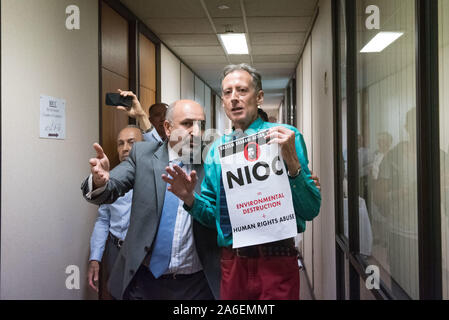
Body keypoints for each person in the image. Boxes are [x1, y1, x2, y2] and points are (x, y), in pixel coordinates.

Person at [163, 64, 321, 300]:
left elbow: (310, 209)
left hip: (277, 261)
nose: (234, 98)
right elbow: (212, 217)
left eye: (242, 90)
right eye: (228, 92)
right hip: (233, 263)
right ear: (223, 102)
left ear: (258, 97)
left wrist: (292, 163)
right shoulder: (216, 150)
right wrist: (190, 199)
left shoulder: (286, 136)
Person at [81, 95, 220, 300]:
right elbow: (111, 188)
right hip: (144, 281)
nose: (196, 131)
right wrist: (100, 181)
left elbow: (220, 217)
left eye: (201, 124)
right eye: (187, 124)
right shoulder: (143, 155)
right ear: (168, 127)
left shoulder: (212, 161)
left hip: (196, 285)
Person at [87, 125, 143, 297]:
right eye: (121, 143)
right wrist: (95, 257)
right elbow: (103, 220)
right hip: (116, 250)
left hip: (143, 253)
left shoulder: (158, 178)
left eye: (131, 142)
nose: (125, 148)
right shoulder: (109, 180)